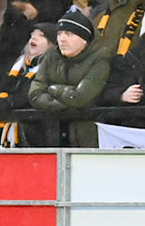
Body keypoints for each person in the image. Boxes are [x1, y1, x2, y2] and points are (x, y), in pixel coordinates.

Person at [29, 9, 112, 147]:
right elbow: (35, 94)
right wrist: (67, 105)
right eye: (59, 34)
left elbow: (81, 98)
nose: (62, 39)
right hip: (54, 137)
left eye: (68, 34)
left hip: (91, 139)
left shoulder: (100, 59)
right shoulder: (51, 56)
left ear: (84, 39)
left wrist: (52, 89)